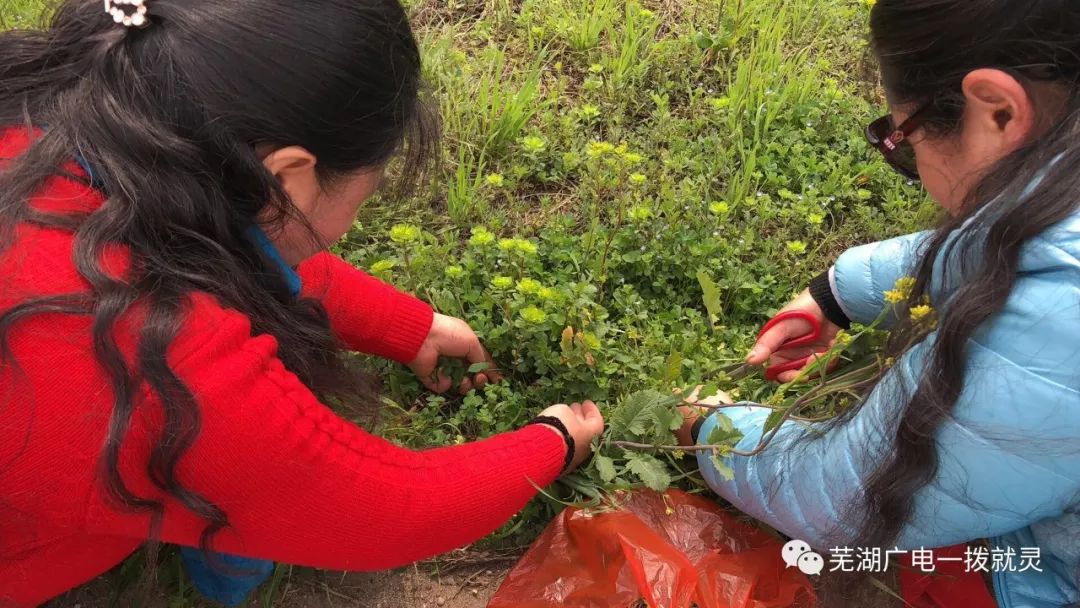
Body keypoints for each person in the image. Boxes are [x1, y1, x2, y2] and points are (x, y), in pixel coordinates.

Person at [0, 1, 604, 606]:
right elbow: (388, 513)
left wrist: (406, 325)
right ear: (287, 174)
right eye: (367, 192)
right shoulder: (156, 357)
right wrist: (552, 440)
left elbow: (235, 240)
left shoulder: (56, 110)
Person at [681, 1, 1080, 607]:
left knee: (884, 568)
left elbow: (843, 502)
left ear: (997, 112)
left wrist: (710, 429)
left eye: (902, 141)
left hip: (1056, 573)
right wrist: (836, 295)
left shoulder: (1049, 331)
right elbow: (1022, 237)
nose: (911, 164)